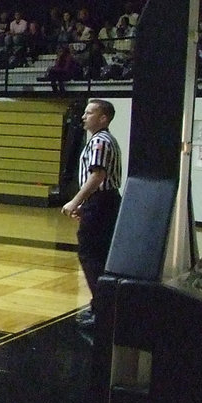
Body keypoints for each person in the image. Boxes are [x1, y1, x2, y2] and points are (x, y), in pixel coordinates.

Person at [61, 99, 123, 329]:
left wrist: (75, 201)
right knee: (99, 254)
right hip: (102, 202)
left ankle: (102, 309)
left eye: (89, 113)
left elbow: (97, 176)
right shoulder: (103, 140)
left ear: (103, 118)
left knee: (91, 255)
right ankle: (102, 306)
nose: (83, 117)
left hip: (102, 202)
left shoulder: (100, 141)